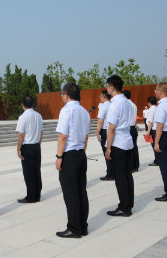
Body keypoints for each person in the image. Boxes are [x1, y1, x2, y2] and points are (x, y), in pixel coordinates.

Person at [55, 83, 90, 238]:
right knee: (81, 191)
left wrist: (59, 157)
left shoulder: (66, 111)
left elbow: (63, 136)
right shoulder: (84, 111)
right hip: (81, 154)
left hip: (69, 155)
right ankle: (83, 226)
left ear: (66, 95)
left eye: (62, 94)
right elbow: (86, 136)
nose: (62, 97)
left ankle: (74, 228)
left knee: (71, 194)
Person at [105, 75, 135, 216]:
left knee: (120, 177)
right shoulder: (126, 102)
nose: (106, 89)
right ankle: (128, 204)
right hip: (127, 141)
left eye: (107, 86)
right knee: (127, 175)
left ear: (111, 87)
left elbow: (111, 128)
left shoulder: (115, 104)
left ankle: (124, 207)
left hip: (118, 143)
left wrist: (108, 147)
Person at [16, 95, 44, 203]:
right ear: (33, 104)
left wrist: (19, 149)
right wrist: (38, 144)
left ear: (22, 105)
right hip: (36, 146)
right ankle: (37, 194)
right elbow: (41, 132)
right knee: (36, 171)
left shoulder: (23, 117)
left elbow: (21, 135)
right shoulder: (38, 115)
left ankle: (31, 196)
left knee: (28, 172)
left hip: (27, 147)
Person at [96, 91, 114, 181]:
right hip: (112, 130)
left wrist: (97, 132)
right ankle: (113, 172)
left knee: (106, 152)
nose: (100, 98)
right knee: (112, 151)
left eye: (100, 96)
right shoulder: (112, 104)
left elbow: (100, 121)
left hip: (105, 130)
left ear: (103, 96)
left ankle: (110, 174)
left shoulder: (103, 106)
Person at [123, 90, 140, 172]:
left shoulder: (126, 105)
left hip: (128, 128)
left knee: (129, 148)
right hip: (133, 128)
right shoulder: (134, 105)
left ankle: (130, 166)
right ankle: (136, 166)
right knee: (135, 147)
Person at [145, 96, 159, 166]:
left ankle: (157, 160)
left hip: (153, 130)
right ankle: (159, 159)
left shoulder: (151, 110)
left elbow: (150, 122)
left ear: (148, 102)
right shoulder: (157, 108)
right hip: (157, 129)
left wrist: (148, 132)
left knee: (154, 145)